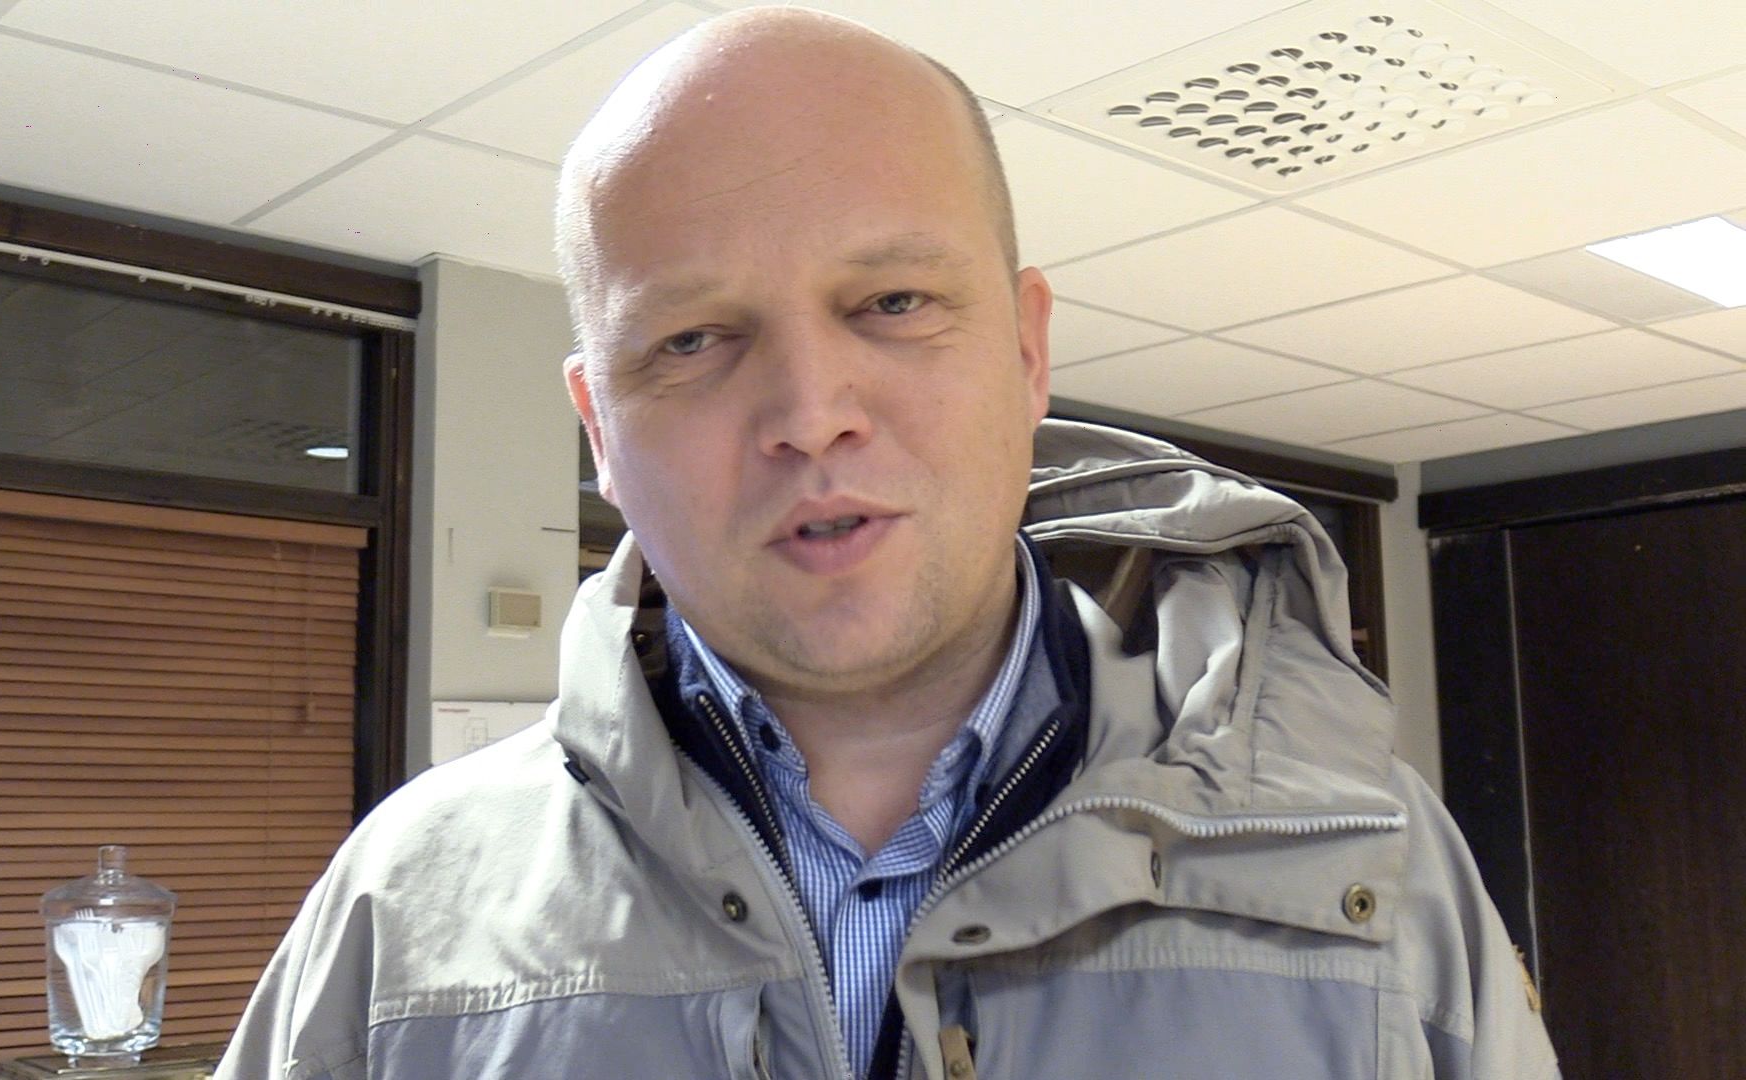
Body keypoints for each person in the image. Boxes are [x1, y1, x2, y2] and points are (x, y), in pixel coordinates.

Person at [216, 9, 1559, 1078]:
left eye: (895, 302)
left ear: (1027, 352)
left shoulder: (1368, 873)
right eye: (693, 339)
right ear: (601, 434)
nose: (810, 415)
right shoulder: (399, 918)